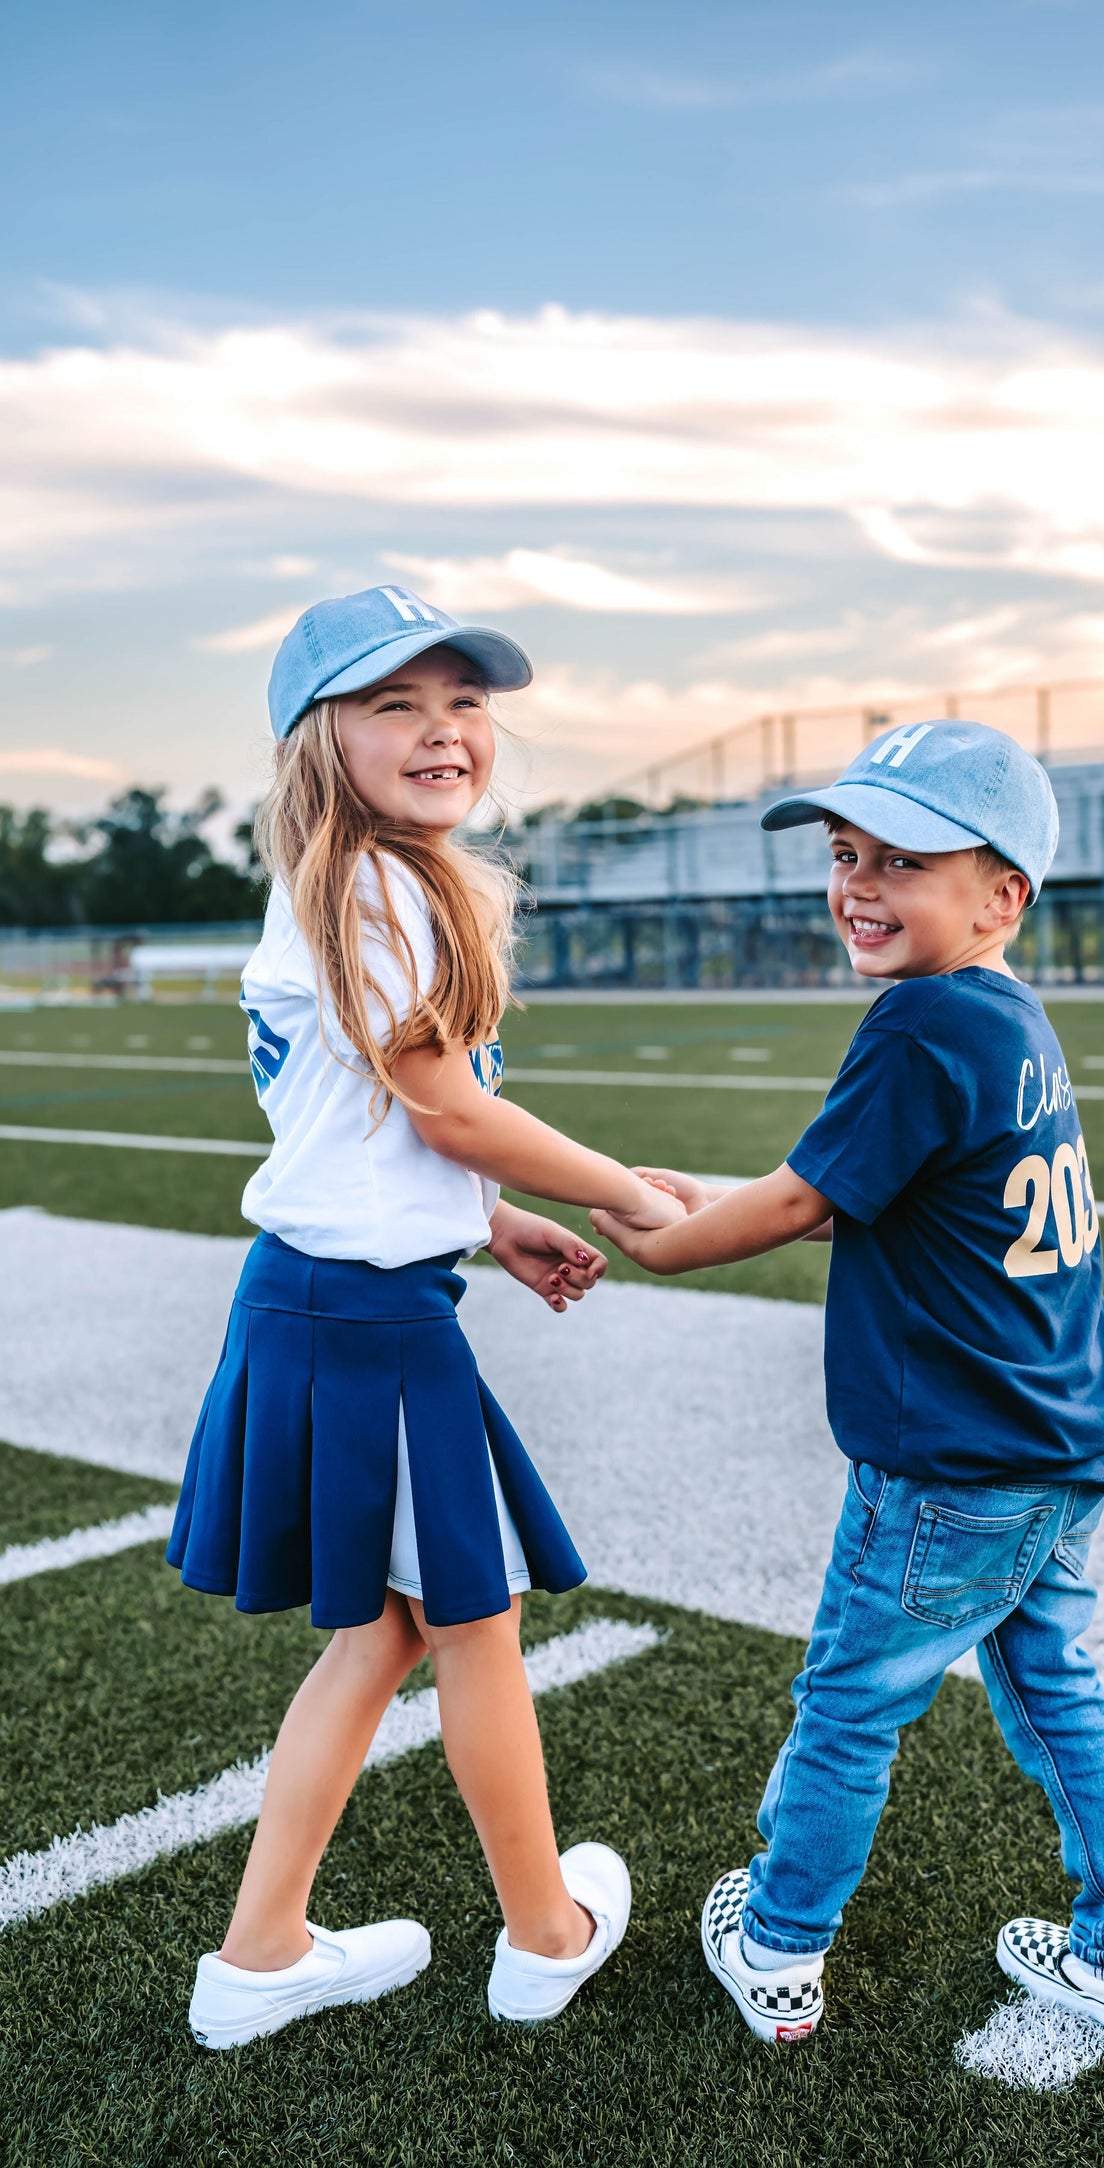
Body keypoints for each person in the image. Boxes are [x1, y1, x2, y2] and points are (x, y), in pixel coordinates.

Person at [594, 720, 1104, 2055]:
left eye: (904, 861)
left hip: (950, 1460)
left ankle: (779, 1940)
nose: (858, 884)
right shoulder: (1005, 1013)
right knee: (1055, 1690)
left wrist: (662, 1241)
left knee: (850, 1703)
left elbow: (805, 1200)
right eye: (845, 852)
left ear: (1000, 895)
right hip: (1058, 1441)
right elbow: (889, 1201)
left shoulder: (919, 1020)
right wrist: (717, 1196)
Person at [169, 584, 682, 2050]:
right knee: (472, 1623)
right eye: (394, 704)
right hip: (366, 1322)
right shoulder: (377, 888)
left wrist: (495, 1223)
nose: (442, 729)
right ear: (318, 741)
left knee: (390, 1631)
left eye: (463, 702)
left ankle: (263, 1953)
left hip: (328, 1298)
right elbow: (445, 1106)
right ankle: (544, 1935)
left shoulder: (354, 881)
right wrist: (622, 1194)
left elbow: (363, 1125)